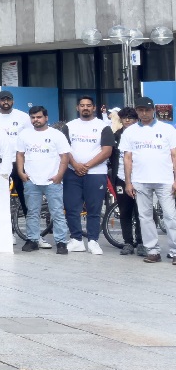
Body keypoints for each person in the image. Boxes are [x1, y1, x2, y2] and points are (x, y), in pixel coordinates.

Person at [119, 97, 176, 264]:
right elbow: (127, 158)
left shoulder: (167, 129)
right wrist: (128, 182)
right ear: (137, 111)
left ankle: (174, 251)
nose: (144, 113)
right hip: (140, 180)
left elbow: (174, 155)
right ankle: (153, 251)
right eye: (141, 110)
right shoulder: (129, 132)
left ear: (153, 110)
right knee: (144, 217)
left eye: (147, 110)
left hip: (164, 179)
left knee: (170, 216)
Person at [16, 105, 71, 253]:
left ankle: (61, 242)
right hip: (31, 180)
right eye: (33, 117)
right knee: (32, 212)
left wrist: (60, 175)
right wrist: (21, 173)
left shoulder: (57, 135)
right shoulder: (24, 134)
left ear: (46, 118)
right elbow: (20, 154)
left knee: (57, 212)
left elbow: (64, 156)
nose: (36, 120)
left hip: (52, 180)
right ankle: (32, 240)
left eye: (39, 117)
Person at [63, 96, 112, 254]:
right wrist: (76, 165)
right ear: (77, 107)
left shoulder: (103, 126)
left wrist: (86, 166)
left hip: (96, 174)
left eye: (88, 105)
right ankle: (76, 239)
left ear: (94, 108)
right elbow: (64, 149)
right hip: (72, 172)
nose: (85, 108)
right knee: (71, 208)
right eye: (82, 105)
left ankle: (93, 241)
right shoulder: (69, 126)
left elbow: (107, 151)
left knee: (94, 208)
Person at [107, 106, 142, 255]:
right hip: (121, 178)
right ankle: (128, 242)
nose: (128, 120)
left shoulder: (142, 135)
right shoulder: (116, 136)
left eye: (131, 118)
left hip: (141, 178)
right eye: (125, 117)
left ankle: (141, 242)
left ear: (136, 119)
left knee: (142, 212)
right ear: (121, 119)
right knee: (125, 211)